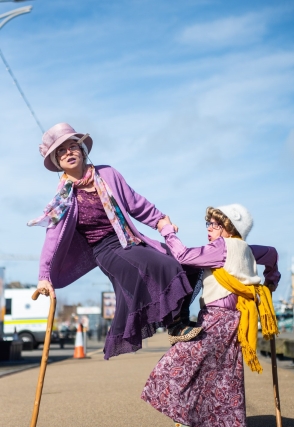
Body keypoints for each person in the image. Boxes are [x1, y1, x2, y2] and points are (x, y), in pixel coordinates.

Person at [28, 123, 197, 359]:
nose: (69, 152)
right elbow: (52, 237)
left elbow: (135, 202)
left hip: (128, 238)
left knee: (180, 263)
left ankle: (180, 321)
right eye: (62, 151)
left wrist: (159, 221)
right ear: (58, 162)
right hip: (104, 249)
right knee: (161, 268)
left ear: (82, 150)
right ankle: (176, 326)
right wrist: (44, 277)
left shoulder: (107, 174)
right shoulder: (63, 197)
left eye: (73, 146)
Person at [141, 204, 281, 427]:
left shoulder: (222, 248)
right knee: (204, 377)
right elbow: (271, 254)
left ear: (230, 228)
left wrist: (167, 231)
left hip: (218, 320)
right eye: (209, 223)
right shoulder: (247, 249)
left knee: (172, 372)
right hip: (232, 320)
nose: (209, 229)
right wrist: (272, 279)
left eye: (215, 224)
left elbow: (182, 256)